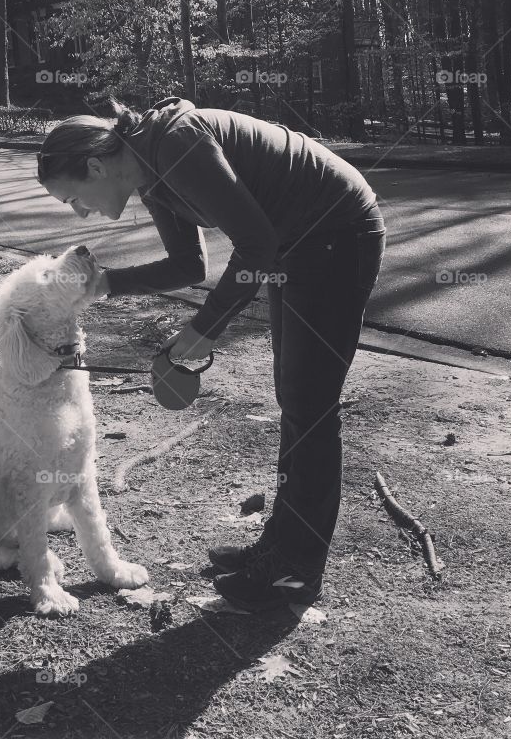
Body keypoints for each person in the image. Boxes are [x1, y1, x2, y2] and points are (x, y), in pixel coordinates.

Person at [36, 96, 386, 611]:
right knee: (295, 396)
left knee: (310, 405)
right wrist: (104, 284)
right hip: (298, 246)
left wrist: (204, 329)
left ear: (94, 166)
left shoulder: (175, 145)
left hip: (336, 234)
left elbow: (256, 248)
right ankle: (280, 547)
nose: (80, 212)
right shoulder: (147, 170)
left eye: (74, 199)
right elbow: (189, 264)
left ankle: (294, 572)